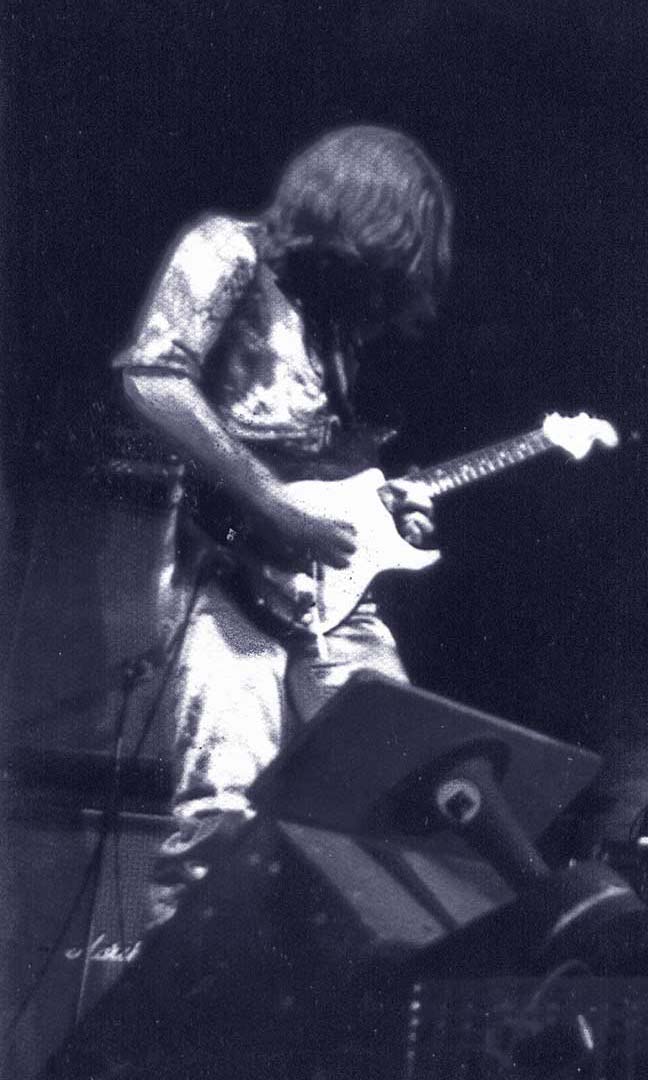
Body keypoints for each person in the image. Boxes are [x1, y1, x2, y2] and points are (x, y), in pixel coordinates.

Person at [114, 125, 454, 925]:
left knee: (398, 785)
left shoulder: (332, 331)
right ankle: (183, 999)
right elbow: (154, 379)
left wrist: (386, 509)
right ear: (351, 218)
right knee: (220, 814)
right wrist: (274, 505)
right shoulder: (227, 249)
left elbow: (325, 470)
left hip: (328, 594)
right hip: (224, 573)